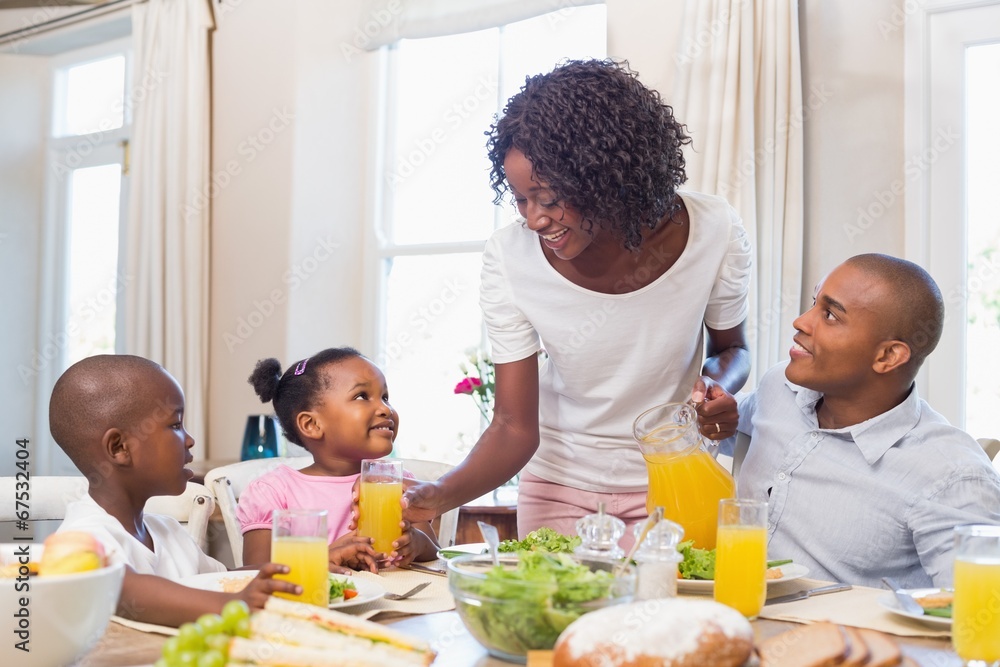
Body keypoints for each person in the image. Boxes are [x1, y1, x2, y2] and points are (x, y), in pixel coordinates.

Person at [403, 59, 753, 546]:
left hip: (677, 482)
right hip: (558, 487)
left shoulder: (713, 230)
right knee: (563, 621)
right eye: (521, 200)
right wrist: (438, 494)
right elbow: (512, 427)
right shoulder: (511, 259)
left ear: (606, 178)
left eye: (547, 199)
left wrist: (715, 390)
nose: (533, 220)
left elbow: (733, 350)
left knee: (668, 619)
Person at [725, 254, 1000, 588]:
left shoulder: (952, 476)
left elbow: (980, 613)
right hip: (730, 619)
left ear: (887, 356)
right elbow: (729, 427)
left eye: (829, 315)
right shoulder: (779, 389)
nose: (801, 322)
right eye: (814, 303)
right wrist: (709, 413)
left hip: (843, 637)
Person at [49, 354, 300, 626]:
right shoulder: (84, 536)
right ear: (119, 448)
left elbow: (227, 578)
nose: (190, 440)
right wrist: (232, 604)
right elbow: (119, 588)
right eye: (175, 425)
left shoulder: (168, 531)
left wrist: (301, 570)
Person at [240, 348, 438, 568]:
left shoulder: (395, 481)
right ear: (312, 425)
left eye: (385, 397)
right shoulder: (274, 492)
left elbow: (434, 554)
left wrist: (417, 543)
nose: (384, 408)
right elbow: (255, 572)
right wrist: (324, 558)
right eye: (362, 396)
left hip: (396, 600)